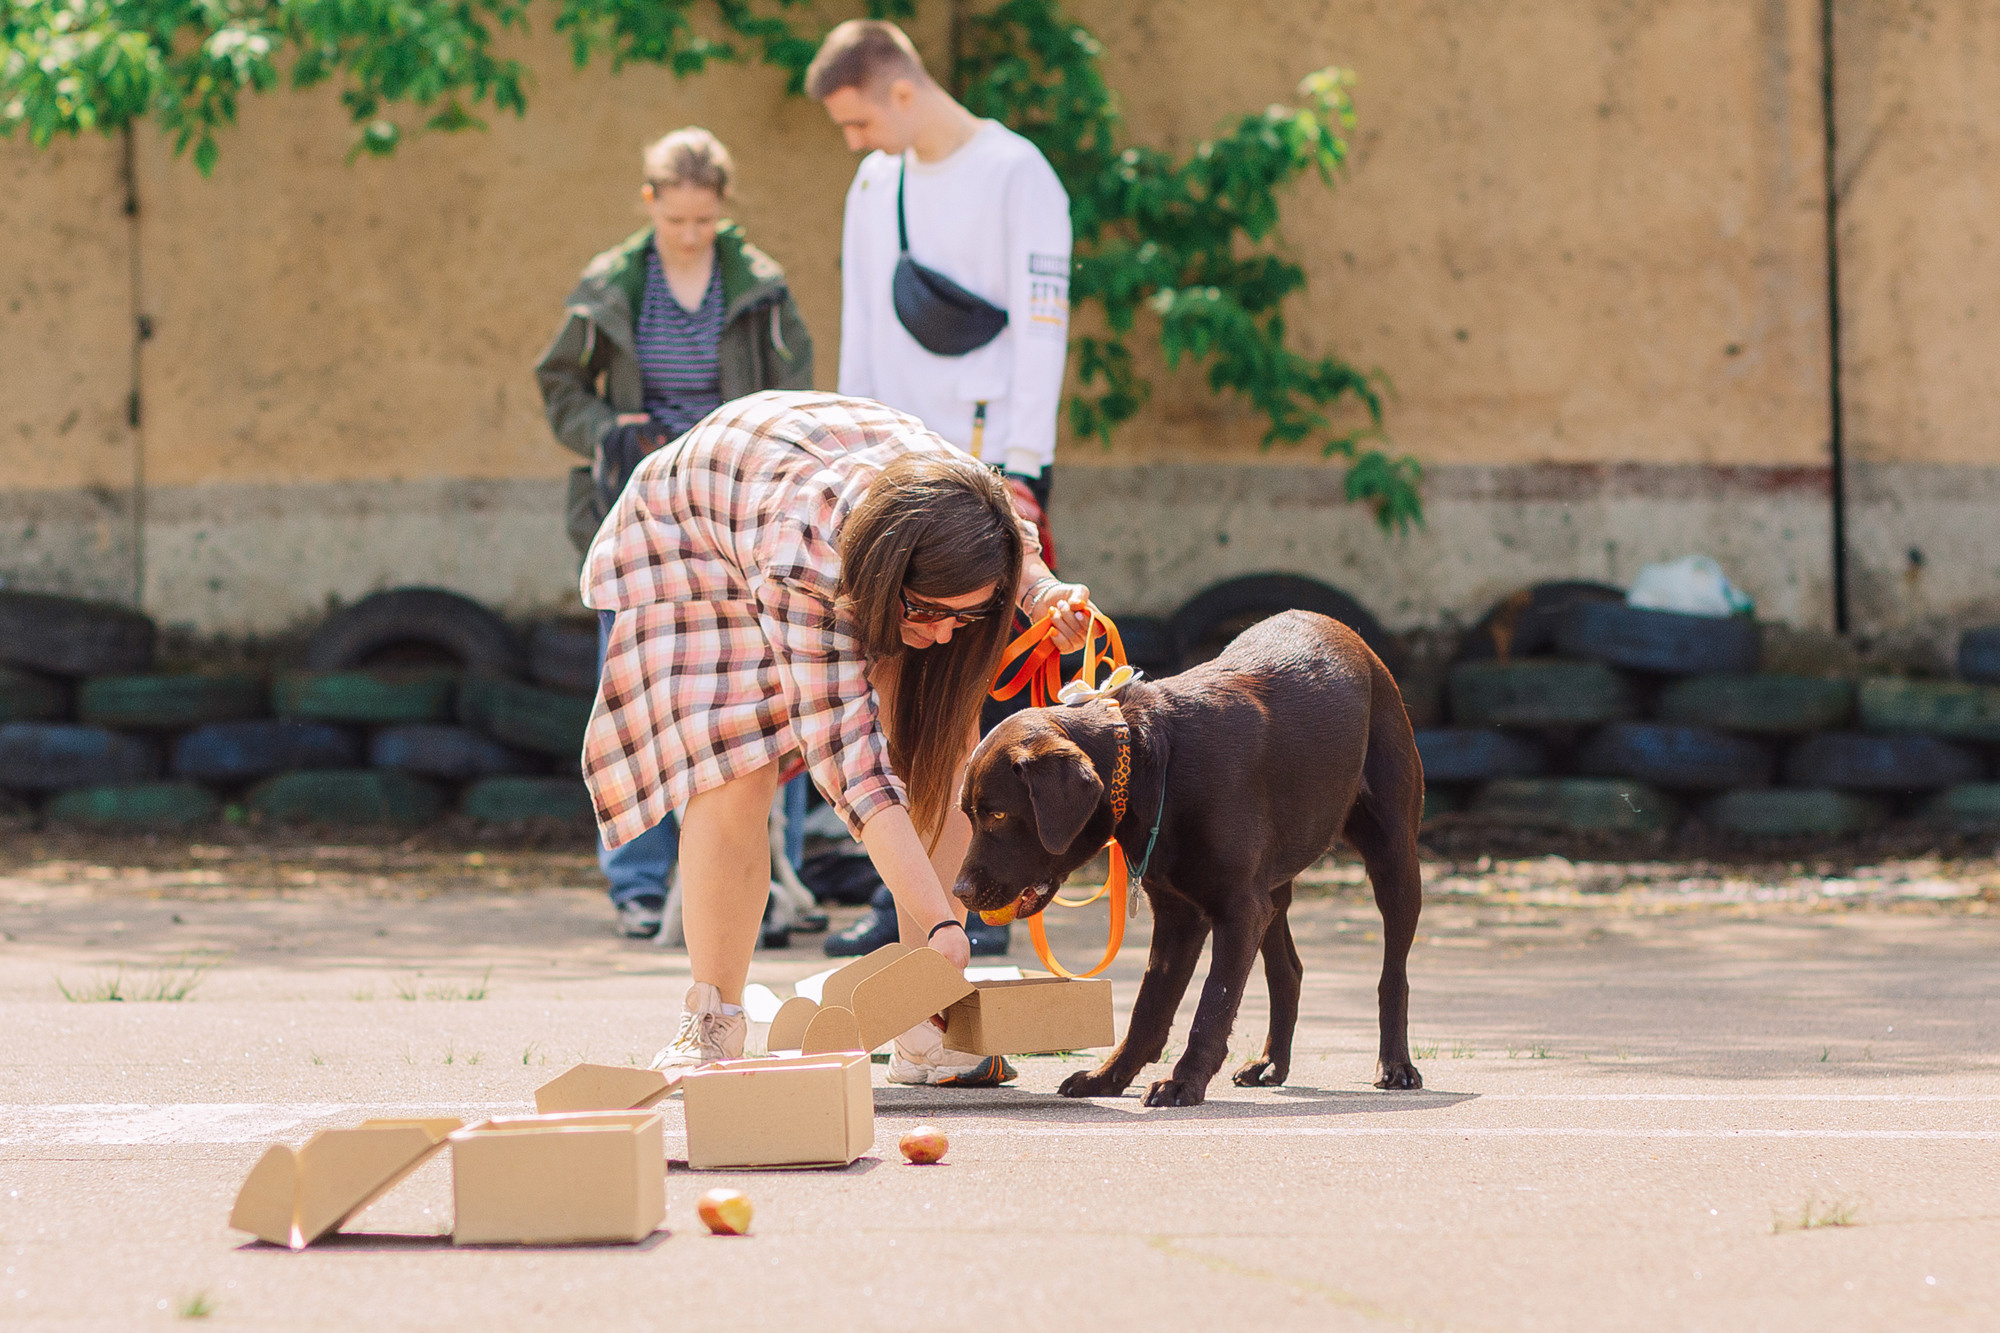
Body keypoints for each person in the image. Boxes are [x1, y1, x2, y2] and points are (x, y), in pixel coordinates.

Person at [581, 391, 1093, 1087]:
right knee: (738, 769)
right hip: (699, 539)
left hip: (836, 491)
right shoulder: (802, 562)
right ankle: (712, 1024)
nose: (946, 634)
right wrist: (946, 923)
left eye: (964, 619)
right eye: (930, 614)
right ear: (885, 583)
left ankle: (927, 1025)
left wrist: (1044, 594)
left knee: (946, 741)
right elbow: (855, 773)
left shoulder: (968, 500)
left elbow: (1009, 548)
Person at [807, 19, 1073, 954]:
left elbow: (1043, 327)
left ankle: (985, 892)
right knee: (887, 687)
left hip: (987, 473)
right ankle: (910, 892)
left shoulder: (1015, 172)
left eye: (857, 118)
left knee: (978, 691)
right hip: (890, 479)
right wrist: (848, 453)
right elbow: (861, 328)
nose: (853, 139)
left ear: (903, 91)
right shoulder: (876, 182)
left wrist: (1025, 473)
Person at [535, 127, 813, 941]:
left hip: (741, 509)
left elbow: (794, 392)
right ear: (650, 203)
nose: (692, 234)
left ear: (722, 209)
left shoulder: (760, 285)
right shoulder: (609, 286)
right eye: (677, 220)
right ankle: (639, 884)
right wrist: (605, 429)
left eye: (705, 221)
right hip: (640, 508)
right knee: (635, 689)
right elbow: (558, 383)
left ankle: (774, 880)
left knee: (769, 692)